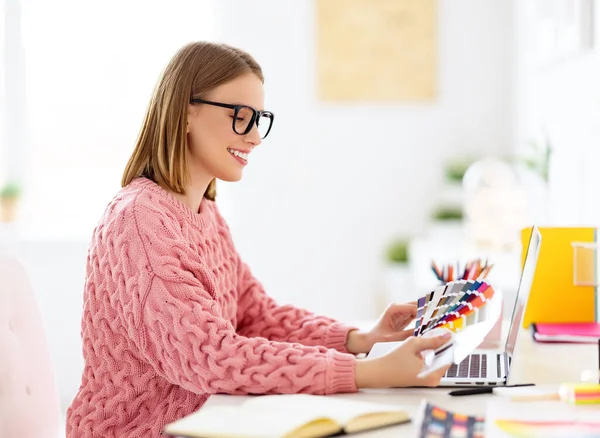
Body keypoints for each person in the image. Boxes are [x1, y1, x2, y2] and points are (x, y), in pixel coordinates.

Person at [66, 41, 451, 438]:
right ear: (184, 113)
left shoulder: (204, 213)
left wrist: (358, 339)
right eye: (240, 117)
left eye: (259, 119)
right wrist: (367, 371)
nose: (254, 137)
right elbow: (210, 357)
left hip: (212, 421)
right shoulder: (139, 222)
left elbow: (255, 316)